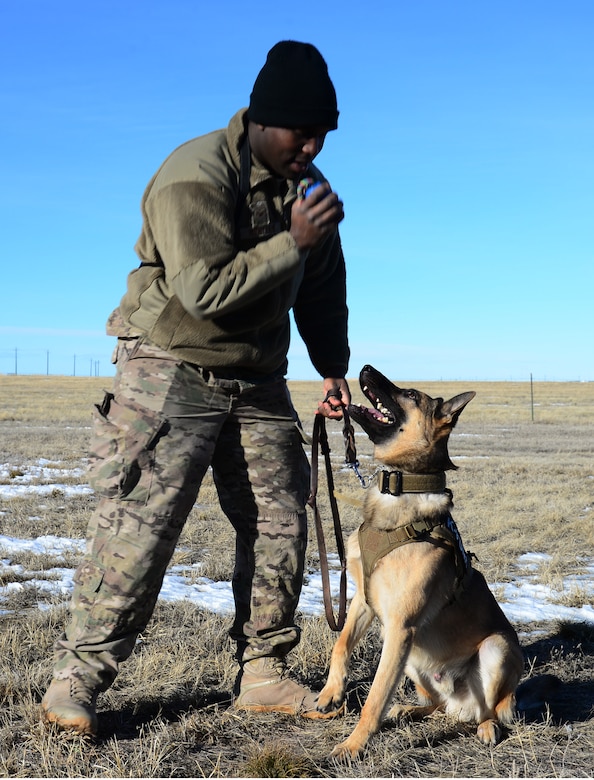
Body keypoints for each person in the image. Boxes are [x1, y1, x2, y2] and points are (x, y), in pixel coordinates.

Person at [41, 40, 351, 735]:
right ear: (264, 121)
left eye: (324, 131)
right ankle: (77, 683)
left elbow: (324, 292)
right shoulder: (195, 175)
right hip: (171, 366)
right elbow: (204, 292)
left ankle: (263, 672)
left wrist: (332, 367)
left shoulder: (308, 193)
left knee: (281, 520)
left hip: (259, 377)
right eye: (302, 131)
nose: (314, 144)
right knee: (138, 530)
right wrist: (291, 243)